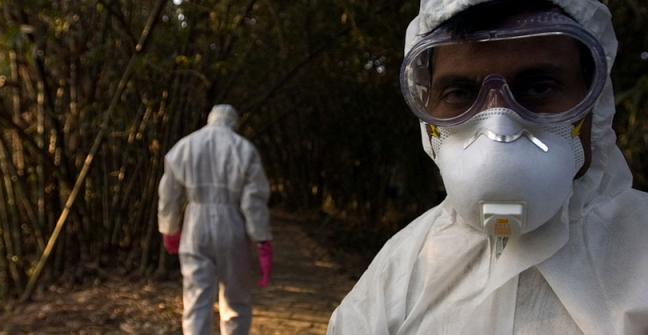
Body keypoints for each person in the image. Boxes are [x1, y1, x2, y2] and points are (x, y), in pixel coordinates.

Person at [328, 0, 648, 334]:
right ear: (429, 118)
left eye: (539, 87)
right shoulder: (400, 269)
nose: (498, 127)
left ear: (594, 104)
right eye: (460, 92)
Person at [157, 104, 273, 335]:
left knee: (196, 299)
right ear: (234, 123)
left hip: (194, 225)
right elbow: (253, 202)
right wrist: (262, 239)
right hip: (233, 225)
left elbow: (169, 194)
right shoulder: (244, 149)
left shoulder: (185, 146)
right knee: (235, 300)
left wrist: (169, 228)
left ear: (210, 119)